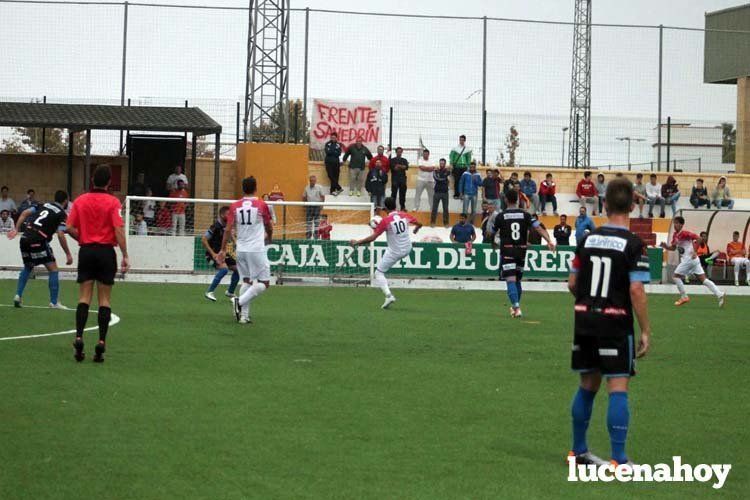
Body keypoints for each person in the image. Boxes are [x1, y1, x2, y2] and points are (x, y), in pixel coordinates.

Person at [566, 177, 651, 467]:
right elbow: (636, 289)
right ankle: (619, 459)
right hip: (615, 323)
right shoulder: (634, 244)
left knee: (588, 384)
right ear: (633, 206)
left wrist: (590, 303)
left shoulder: (587, 239)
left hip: (586, 319)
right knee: (617, 386)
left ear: (603, 204)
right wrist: (646, 331)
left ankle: (578, 452)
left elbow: (572, 282)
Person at [66, 165, 129, 363]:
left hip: (86, 251)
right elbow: (118, 230)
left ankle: (78, 337)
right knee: (104, 300)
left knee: (84, 297)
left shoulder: (80, 200)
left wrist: (82, 238)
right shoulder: (113, 202)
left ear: (93, 179)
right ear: (109, 182)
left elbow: (68, 227)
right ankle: (101, 342)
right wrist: (125, 254)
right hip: (105, 253)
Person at [490, 189, 555, 318]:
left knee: (510, 280)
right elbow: (537, 226)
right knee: (518, 280)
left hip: (508, 250)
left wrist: (493, 240)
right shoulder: (525, 214)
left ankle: (516, 307)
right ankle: (515, 307)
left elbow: (492, 232)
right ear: (518, 200)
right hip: (521, 250)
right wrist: (549, 241)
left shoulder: (501, 216)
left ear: (506, 200)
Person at [350, 197, 422, 309]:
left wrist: (357, 242)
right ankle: (388, 296)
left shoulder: (385, 221)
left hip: (396, 251)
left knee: (378, 273)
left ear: (386, 209)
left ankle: (389, 296)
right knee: (389, 249)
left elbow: (373, 238)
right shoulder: (404, 215)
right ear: (395, 206)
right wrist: (416, 229)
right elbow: (419, 223)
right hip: (408, 248)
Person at [219, 176, 273, 325]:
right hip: (256, 248)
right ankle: (239, 301)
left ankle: (244, 317)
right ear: (256, 188)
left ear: (243, 189)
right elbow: (268, 226)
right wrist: (270, 238)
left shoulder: (235, 206)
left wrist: (223, 249)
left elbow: (228, 229)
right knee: (265, 283)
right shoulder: (261, 204)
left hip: (241, 249)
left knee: (247, 281)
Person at [8, 190, 73, 309]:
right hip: (38, 239)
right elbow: (60, 234)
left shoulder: (42, 204)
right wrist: (68, 254)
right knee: (53, 269)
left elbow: (24, 213)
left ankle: (18, 295)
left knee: (28, 266)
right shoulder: (62, 214)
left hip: (25, 237)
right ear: (66, 201)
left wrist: (16, 229)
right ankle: (54, 302)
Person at [660, 216, 725, 307]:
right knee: (704, 279)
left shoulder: (685, 233)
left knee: (675, 276)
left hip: (689, 259)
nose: (675, 225)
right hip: (693, 260)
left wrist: (695, 251)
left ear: (681, 225)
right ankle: (719, 294)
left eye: (677, 223)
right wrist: (665, 246)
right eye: (674, 223)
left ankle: (684, 296)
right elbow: (673, 248)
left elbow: (699, 238)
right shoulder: (675, 235)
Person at [202, 206, 240, 301]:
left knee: (239, 270)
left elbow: (229, 233)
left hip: (222, 253)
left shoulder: (227, 224)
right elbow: (204, 239)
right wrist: (213, 254)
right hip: (212, 254)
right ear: (222, 215)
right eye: (228, 214)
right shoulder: (215, 226)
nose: (230, 216)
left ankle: (230, 292)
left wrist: (236, 242)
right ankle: (209, 292)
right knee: (224, 269)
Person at [449, 135, 472, 199]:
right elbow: (451, 157)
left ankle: (463, 194)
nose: (461, 141)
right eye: (460, 140)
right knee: (457, 180)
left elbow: (469, 158)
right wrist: (451, 164)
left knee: (464, 181)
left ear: (465, 140)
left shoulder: (467, 149)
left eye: (462, 140)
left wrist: (468, 166)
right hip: (457, 167)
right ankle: (456, 194)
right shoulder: (455, 148)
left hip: (464, 167)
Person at [302, 175, 325, 239]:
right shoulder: (306, 188)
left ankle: (316, 237)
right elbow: (304, 196)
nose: (313, 182)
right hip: (309, 206)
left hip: (317, 206)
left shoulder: (319, 187)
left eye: (314, 181)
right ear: (309, 181)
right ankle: (308, 237)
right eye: (311, 181)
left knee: (317, 222)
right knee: (308, 222)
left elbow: (323, 196)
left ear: (316, 181)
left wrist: (322, 205)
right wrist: (305, 205)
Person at [431, 159, 450, 227]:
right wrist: (444, 178)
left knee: (446, 209)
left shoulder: (448, 171)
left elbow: (447, 177)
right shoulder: (435, 171)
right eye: (440, 163)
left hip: (445, 192)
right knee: (434, 208)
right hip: (437, 192)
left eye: (443, 163)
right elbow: (436, 178)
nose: (441, 164)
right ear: (439, 163)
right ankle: (433, 222)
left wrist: (443, 178)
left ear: (445, 164)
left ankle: (446, 223)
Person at [390, 147, 409, 211]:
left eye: (400, 151)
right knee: (393, 194)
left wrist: (398, 165)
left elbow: (406, 167)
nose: (399, 153)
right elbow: (394, 168)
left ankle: (402, 207)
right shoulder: (392, 160)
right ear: (396, 152)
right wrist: (401, 166)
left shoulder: (404, 160)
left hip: (403, 179)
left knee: (402, 194)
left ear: (402, 152)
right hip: (395, 179)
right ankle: (392, 208)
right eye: (398, 151)